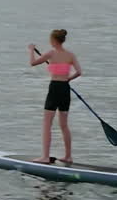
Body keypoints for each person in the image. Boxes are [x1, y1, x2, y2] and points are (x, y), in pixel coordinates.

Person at [28, 28, 82, 164]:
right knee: (64, 125)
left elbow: (33, 63)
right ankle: (68, 156)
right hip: (65, 89)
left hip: (54, 88)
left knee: (47, 123)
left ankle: (45, 157)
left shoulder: (51, 53)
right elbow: (79, 72)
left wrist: (31, 50)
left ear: (53, 40)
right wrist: (68, 79)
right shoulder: (70, 55)